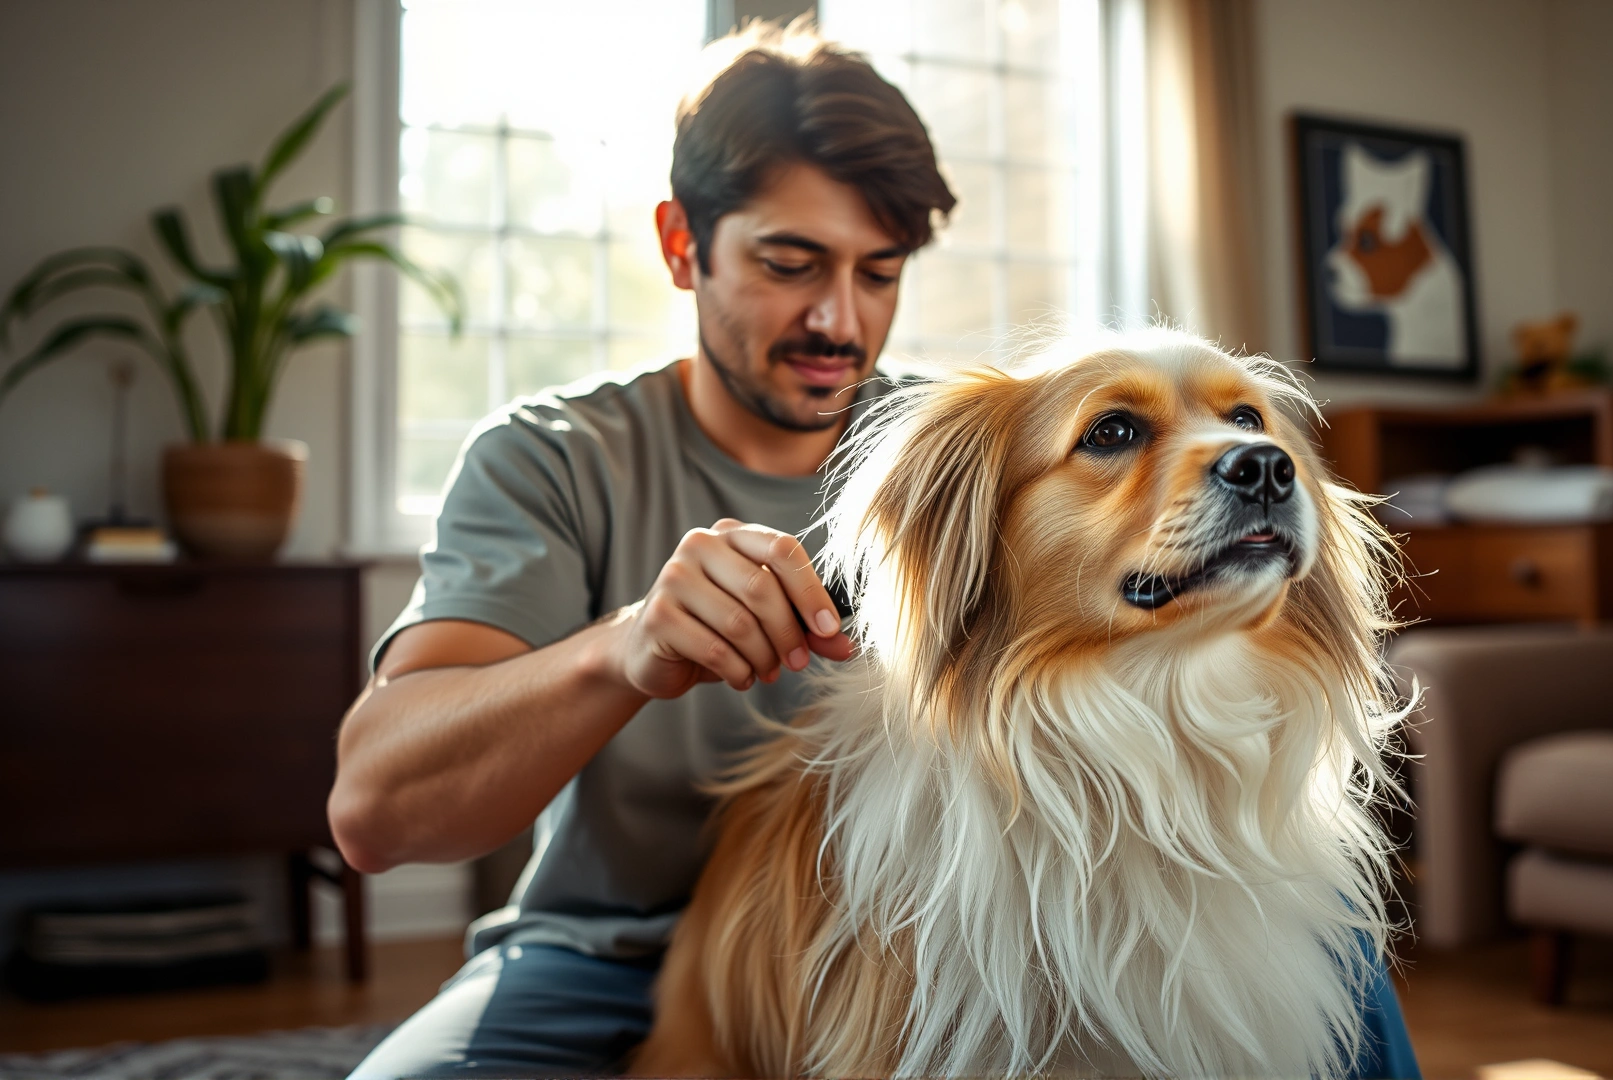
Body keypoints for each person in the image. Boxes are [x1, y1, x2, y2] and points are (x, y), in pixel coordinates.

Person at [337, 23, 1417, 1080]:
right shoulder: (553, 459)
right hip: (605, 950)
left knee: (1331, 961)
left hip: (943, 894)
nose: (837, 318)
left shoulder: (954, 459)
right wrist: (623, 650)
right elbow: (375, 810)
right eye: (790, 262)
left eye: (880, 271)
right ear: (681, 244)